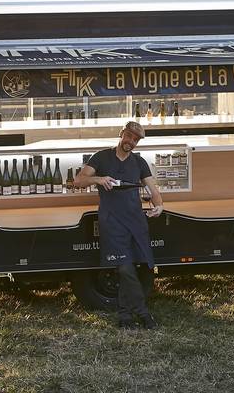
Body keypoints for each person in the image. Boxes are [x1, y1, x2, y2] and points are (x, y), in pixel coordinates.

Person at [74, 120, 164, 329]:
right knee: (124, 268)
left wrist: (159, 205)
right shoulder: (101, 157)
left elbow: (154, 190)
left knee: (135, 267)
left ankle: (124, 316)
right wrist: (98, 179)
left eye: (135, 140)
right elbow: (78, 180)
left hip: (136, 222)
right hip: (112, 222)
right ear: (122, 133)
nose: (131, 142)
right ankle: (143, 313)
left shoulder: (139, 163)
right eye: (129, 136)